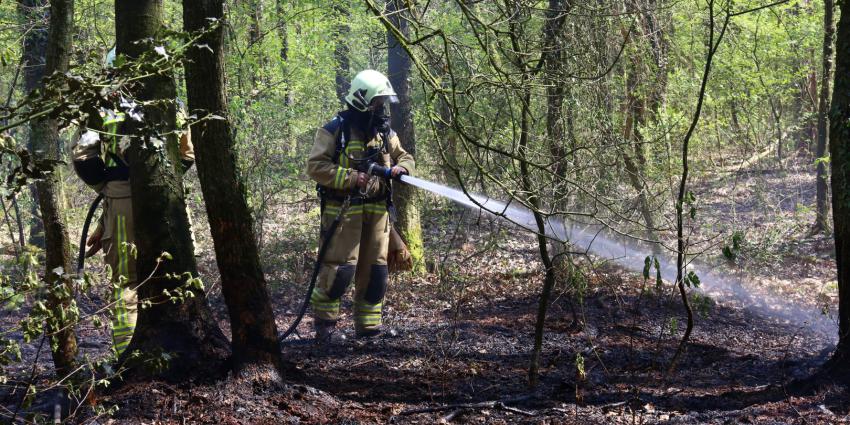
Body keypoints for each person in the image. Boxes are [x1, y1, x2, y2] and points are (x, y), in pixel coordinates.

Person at [71, 48, 195, 356]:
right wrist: (164, 180)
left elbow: (82, 155)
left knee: (127, 284)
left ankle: (127, 360)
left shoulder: (103, 107)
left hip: (122, 204)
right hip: (168, 202)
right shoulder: (172, 104)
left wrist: (110, 186)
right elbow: (187, 154)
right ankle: (178, 356)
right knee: (175, 277)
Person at [306, 69, 415, 341]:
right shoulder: (336, 129)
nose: (381, 107)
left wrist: (402, 168)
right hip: (344, 211)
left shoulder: (384, 132)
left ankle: (368, 329)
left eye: (383, 102)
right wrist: (351, 177)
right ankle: (325, 329)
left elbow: (405, 156)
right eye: (377, 102)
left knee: (376, 272)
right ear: (362, 100)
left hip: (378, 213)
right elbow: (316, 166)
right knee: (339, 269)